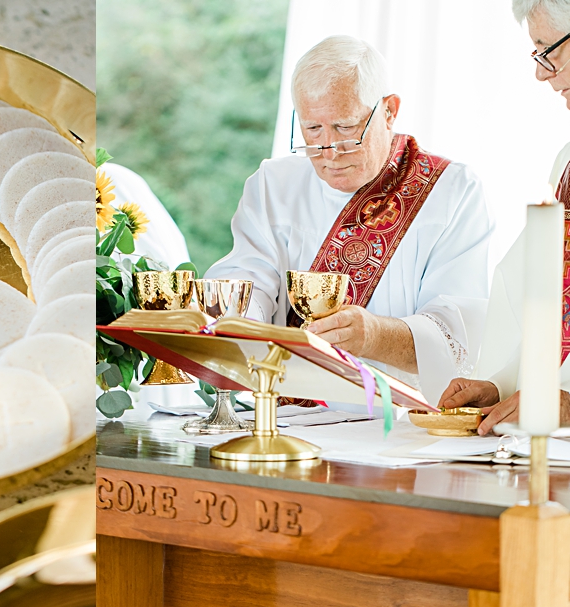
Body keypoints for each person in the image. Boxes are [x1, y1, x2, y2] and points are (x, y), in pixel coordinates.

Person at [205, 35, 495, 404]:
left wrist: (374, 336)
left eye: (345, 128)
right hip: (284, 419)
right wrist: (235, 317)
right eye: (312, 130)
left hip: (397, 425)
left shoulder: (452, 190)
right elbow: (247, 282)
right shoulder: (273, 185)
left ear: (389, 110)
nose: (329, 151)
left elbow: (458, 335)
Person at [440, 0, 570, 434]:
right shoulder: (566, 162)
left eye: (548, 51)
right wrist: (500, 386)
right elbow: (541, 295)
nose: (541, 73)